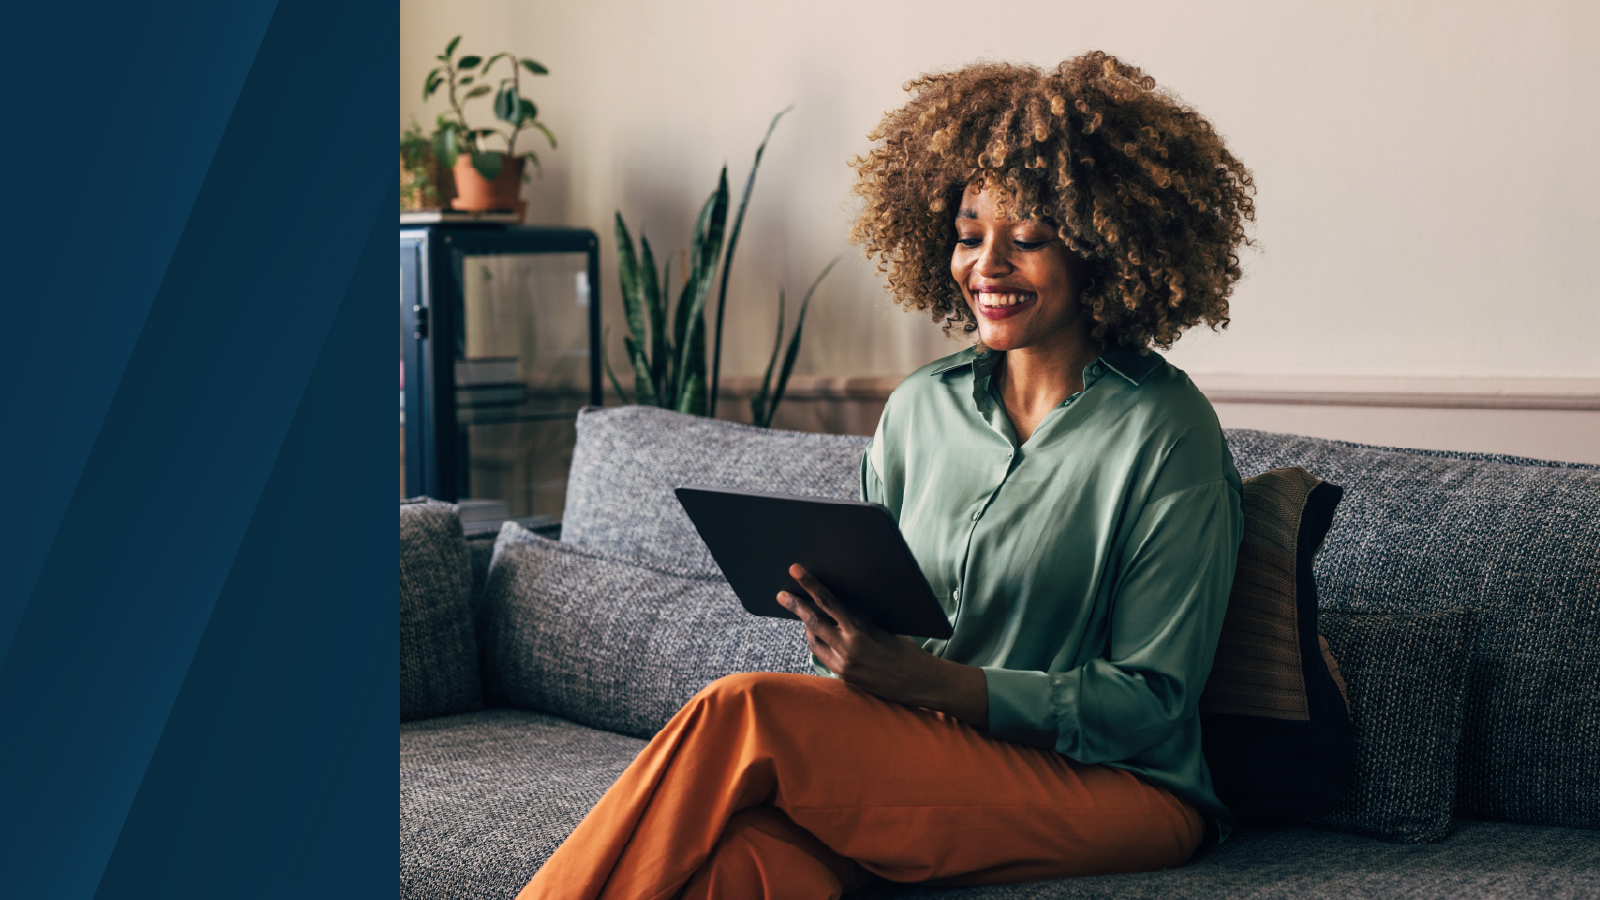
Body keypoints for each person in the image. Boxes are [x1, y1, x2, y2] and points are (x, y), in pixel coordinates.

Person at [519, 51, 1256, 900]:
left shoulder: (1167, 433)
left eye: (1028, 240)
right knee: (736, 867)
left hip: (1118, 788)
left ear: (1101, 249)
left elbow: (1153, 701)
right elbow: (894, 620)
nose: (987, 265)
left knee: (746, 709)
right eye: (970, 234)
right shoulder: (918, 410)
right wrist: (853, 642)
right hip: (923, 756)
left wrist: (937, 685)